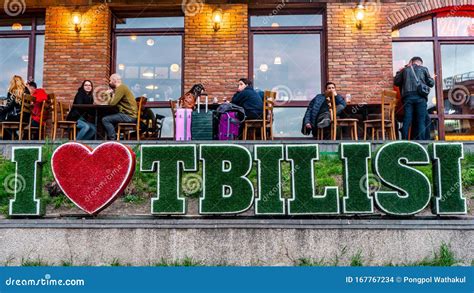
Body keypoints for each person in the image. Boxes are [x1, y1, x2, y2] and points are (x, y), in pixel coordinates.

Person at [394, 56, 435, 140]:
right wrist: (432, 78)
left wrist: (399, 71)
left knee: (407, 120)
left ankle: (404, 140)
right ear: (420, 63)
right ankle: (422, 143)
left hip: (407, 98)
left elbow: (396, 82)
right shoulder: (424, 69)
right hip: (420, 98)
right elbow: (431, 83)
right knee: (421, 121)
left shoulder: (404, 70)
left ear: (411, 62)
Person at [102, 74, 137, 140]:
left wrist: (107, 94)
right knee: (107, 116)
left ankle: (113, 139)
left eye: (110, 80)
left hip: (129, 116)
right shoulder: (120, 88)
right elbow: (111, 103)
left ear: (114, 80)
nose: (109, 83)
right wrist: (110, 94)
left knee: (105, 119)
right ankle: (116, 137)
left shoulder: (121, 88)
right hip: (127, 115)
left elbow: (112, 104)